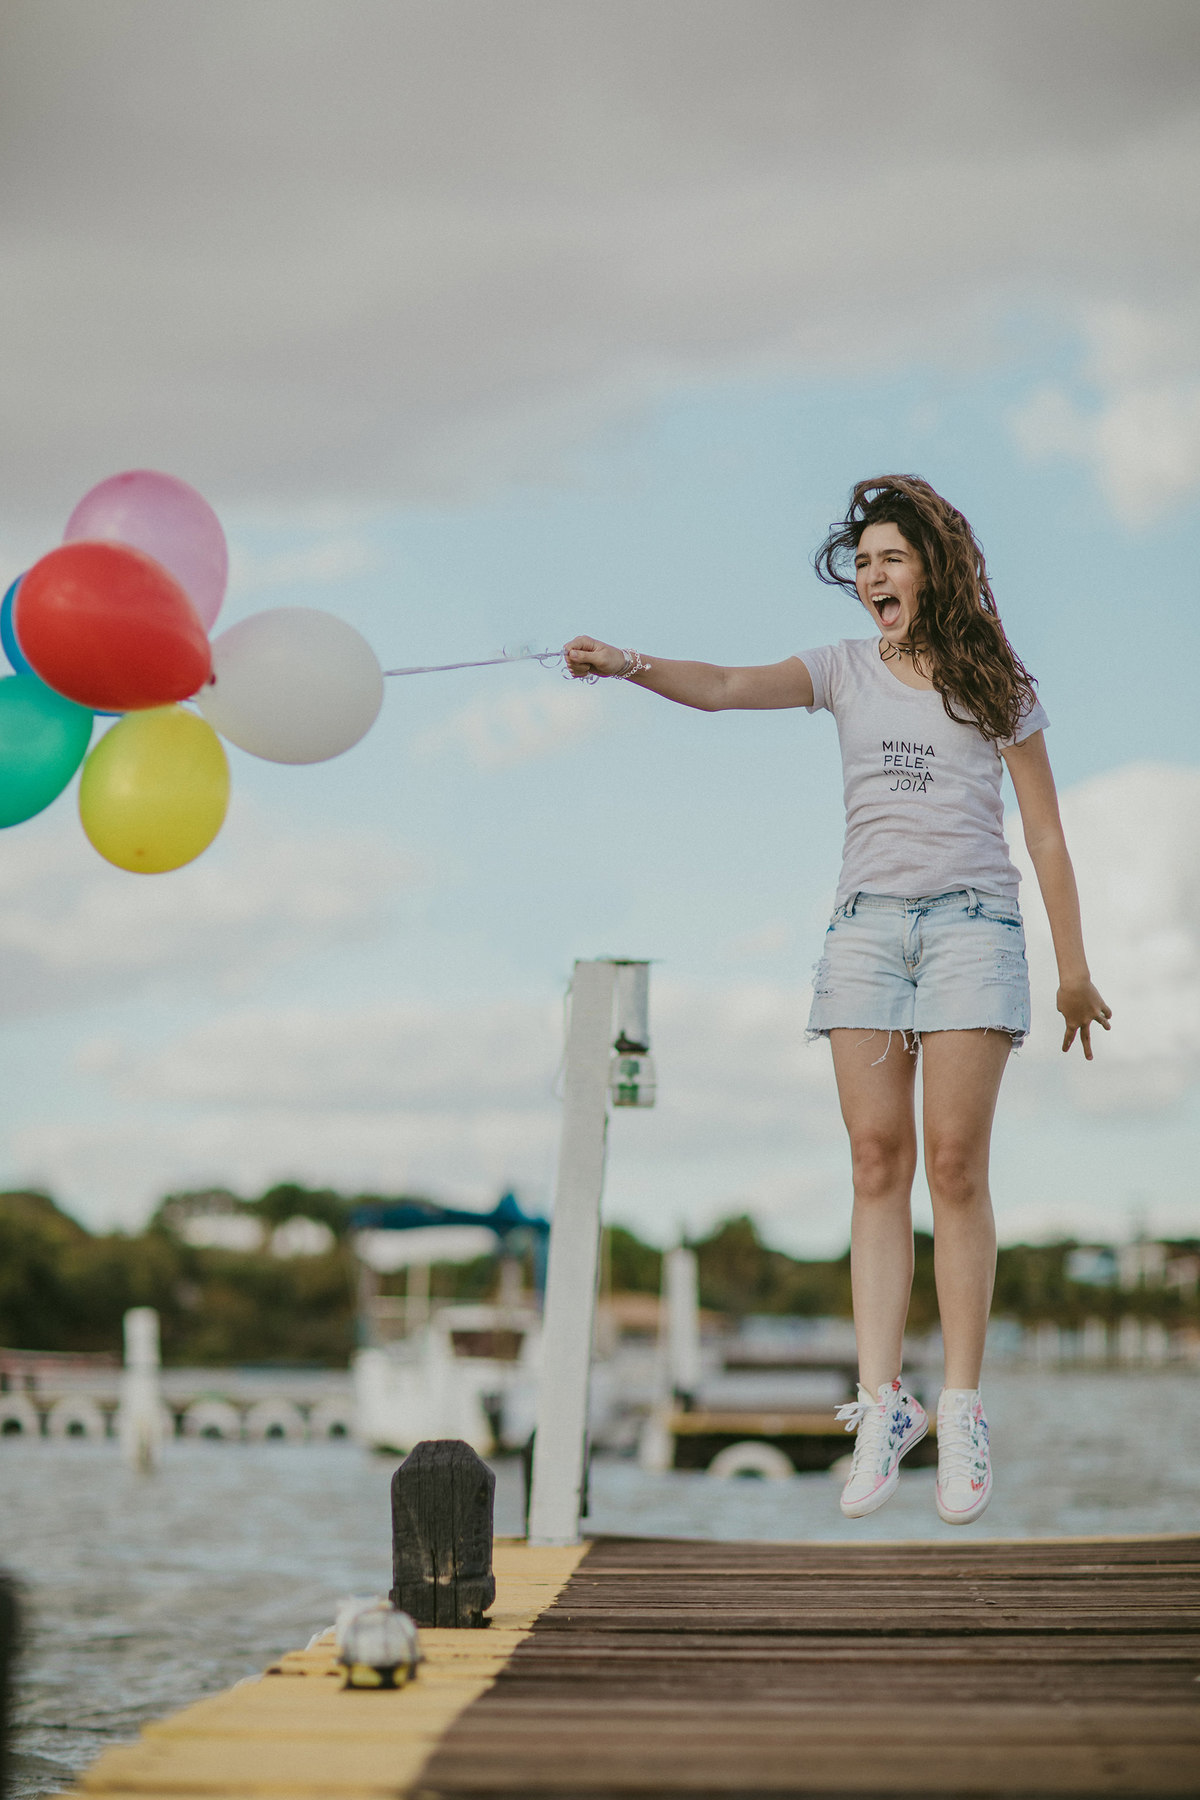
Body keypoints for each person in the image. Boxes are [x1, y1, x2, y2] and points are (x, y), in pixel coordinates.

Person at [564, 474, 1110, 1526]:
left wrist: (1073, 968)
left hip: (970, 929)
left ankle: (959, 1408)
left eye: (891, 558)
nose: (872, 576)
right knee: (873, 1163)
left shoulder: (996, 679)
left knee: (952, 1165)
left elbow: (1044, 831)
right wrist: (629, 663)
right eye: (862, 563)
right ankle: (882, 1406)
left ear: (932, 567)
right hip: (865, 932)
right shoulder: (842, 670)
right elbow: (723, 685)